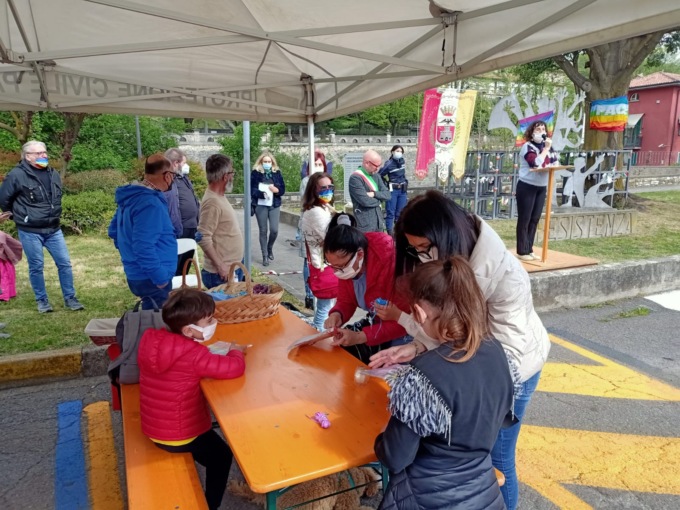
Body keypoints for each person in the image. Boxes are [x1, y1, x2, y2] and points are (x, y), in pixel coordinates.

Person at [371, 190, 550, 510]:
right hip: (480, 370)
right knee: (469, 464)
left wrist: (435, 381)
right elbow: (449, 333)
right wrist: (416, 347)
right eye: (415, 251)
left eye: (424, 248)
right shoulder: (451, 270)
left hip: (512, 371)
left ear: (444, 236)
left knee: (497, 461)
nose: (421, 257)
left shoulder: (506, 277)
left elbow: (504, 357)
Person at [375, 256, 514, 510]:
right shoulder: (497, 352)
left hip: (427, 497)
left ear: (419, 312)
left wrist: (382, 438)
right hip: (485, 493)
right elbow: (500, 418)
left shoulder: (423, 374)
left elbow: (395, 458)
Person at [138, 288, 246, 510]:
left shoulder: (153, 339)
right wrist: (236, 351)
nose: (213, 323)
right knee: (222, 456)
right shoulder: (194, 355)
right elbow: (234, 368)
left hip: (154, 425)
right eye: (209, 320)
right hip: (177, 435)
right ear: (188, 330)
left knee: (213, 447)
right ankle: (209, 506)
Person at [0, 141, 84, 313]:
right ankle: (42, 301)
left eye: (44, 152)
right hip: (30, 231)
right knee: (36, 266)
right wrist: (18, 216)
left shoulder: (53, 173)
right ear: (28, 156)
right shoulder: (16, 175)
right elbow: (4, 199)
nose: (43, 156)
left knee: (64, 263)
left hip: (53, 229)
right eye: (38, 153)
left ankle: (70, 298)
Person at [322, 213, 408, 363]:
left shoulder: (392, 264)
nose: (337, 272)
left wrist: (360, 337)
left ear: (360, 254)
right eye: (333, 266)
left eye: (341, 267)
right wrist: (337, 314)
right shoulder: (349, 267)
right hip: (380, 325)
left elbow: (405, 321)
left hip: (406, 332)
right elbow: (346, 300)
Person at [109, 153, 177, 309]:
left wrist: (129, 257)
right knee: (157, 321)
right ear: (167, 176)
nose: (173, 179)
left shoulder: (131, 197)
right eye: (174, 175)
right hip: (152, 277)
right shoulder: (149, 202)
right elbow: (143, 246)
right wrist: (160, 278)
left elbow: (114, 231)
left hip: (138, 273)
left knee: (150, 318)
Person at [197, 154, 244, 289]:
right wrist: (221, 266)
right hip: (221, 273)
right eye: (232, 173)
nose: (233, 176)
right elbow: (203, 237)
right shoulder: (212, 202)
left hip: (231, 268)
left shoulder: (219, 197)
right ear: (225, 177)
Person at [516, 120, 558, 261]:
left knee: (534, 219)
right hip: (527, 186)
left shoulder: (549, 147)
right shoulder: (528, 147)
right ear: (532, 132)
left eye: (543, 129)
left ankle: (529, 248)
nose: (541, 132)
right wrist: (545, 150)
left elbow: (555, 161)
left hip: (541, 186)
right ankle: (522, 251)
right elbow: (534, 163)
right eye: (538, 129)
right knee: (525, 218)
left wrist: (548, 151)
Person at [300, 172, 337, 331]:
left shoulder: (323, 208)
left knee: (328, 307)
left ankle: (320, 335)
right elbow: (332, 238)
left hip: (324, 263)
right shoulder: (316, 212)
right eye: (323, 188)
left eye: (330, 186)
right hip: (323, 265)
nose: (327, 190)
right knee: (325, 309)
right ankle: (318, 336)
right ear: (313, 190)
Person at [165, 148, 201, 276]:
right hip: (180, 228)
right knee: (176, 263)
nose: (186, 166)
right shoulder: (168, 180)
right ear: (176, 163)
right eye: (184, 163)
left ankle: (182, 284)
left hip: (191, 226)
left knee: (186, 262)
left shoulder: (183, 178)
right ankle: (174, 285)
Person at [299, 151, 328, 309]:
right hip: (311, 227)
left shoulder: (326, 182)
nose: (318, 167)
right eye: (315, 164)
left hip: (322, 227)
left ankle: (322, 288)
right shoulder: (307, 182)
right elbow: (306, 202)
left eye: (320, 164)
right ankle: (310, 294)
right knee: (309, 259)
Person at [251, 151, 285, 266]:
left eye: (269, 161)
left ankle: (269, 247)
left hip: (274, 204)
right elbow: (252, 189)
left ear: (272, 162)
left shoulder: (277, 173)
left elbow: (282, 189)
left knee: (274, 230)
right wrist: (261, 194)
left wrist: (277, 190)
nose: (267, 163)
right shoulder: (255, 173)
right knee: (263, 230)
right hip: (260, 205)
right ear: (261, 162)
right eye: (265, 161)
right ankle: (265, 255)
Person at [348, 150, 391, 233]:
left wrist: (374, 194)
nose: (378, 169)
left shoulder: (376, 176)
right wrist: (380, 199)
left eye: (379, 165)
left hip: (379, 222)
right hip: (365, 225)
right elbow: (365, 201)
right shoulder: (355, 178)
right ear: (367, 163)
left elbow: (388, 195)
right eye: (376, 166)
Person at [379, 145, 408, 234]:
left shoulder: (402, 162)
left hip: (402, 190)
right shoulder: (389, 164)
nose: (399, 153)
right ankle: (390, 234)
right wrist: (386, 184)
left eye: (401, 151)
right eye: (397, 151)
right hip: (393, 190)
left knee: (401, 212)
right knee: (390, 212)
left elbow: (403, 175)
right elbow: (380, 174)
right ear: (392, 152)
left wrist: (405, 182)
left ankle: (399, 233)